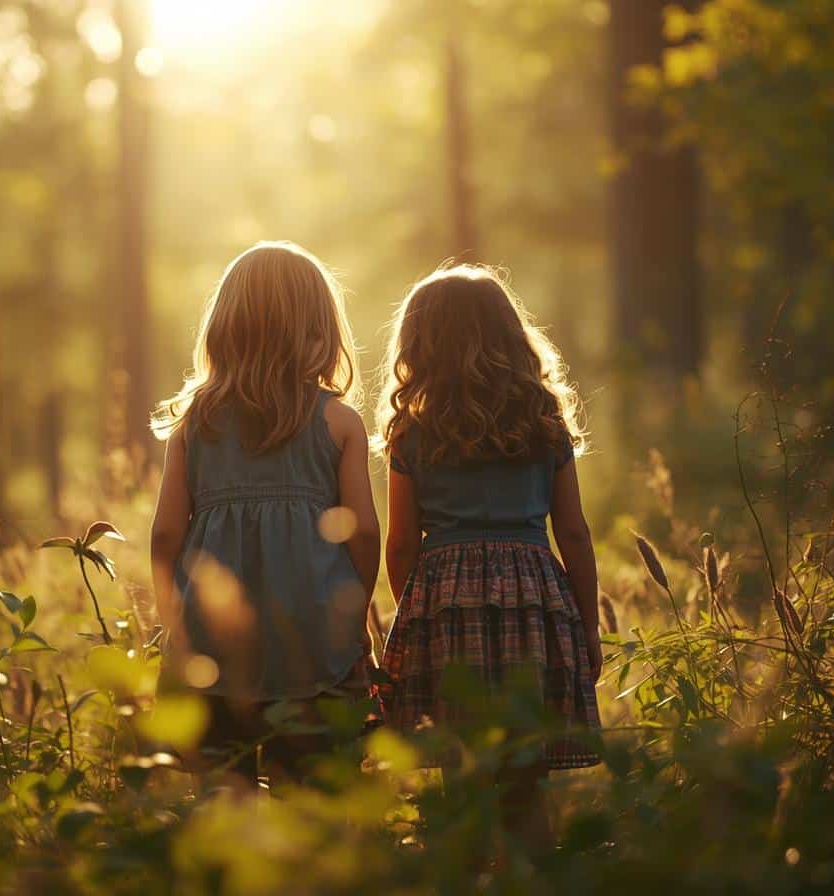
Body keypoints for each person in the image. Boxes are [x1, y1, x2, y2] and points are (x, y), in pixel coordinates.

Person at [375, 264, 602, 849]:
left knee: (461, 774)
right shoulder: (543, 419)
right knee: (526, 777)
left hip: (447, 609)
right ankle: (535, 873)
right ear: (510, 335)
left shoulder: (412, 430)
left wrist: (416, 615)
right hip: (534, 602)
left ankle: (466, 872)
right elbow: (572, 532)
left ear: (419, 343)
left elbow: (401, 543)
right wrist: (587, 625)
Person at [149, 240, 380, 791]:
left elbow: (164, 535)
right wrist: (354, 619)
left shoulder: (195, 425)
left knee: (223, 801)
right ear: (319, 330)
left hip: (211, 651)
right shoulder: (339, 423)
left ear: (225, 328)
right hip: (315, 648)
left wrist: (175, 622)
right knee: (315, 800)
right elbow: (366, 532)